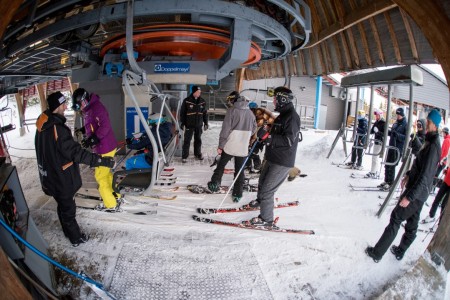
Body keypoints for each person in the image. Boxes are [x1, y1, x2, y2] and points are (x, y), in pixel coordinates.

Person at [35, 92, 115, 246]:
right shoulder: (57, 129)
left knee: (62, 206)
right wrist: (99, 160)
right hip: (61, 178)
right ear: (57, 107)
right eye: (63, 104)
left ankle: (67, 230)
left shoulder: (43, 126)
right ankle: (76, 238)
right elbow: (74, 153)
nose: (66, 107)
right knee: (68, 209)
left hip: (50, 176)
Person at [365, 109, 441, 262]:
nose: (426, 124)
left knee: (396, 217)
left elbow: (425, 176)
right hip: (418, 192)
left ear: (435, 125)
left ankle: (377, 253)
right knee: (412, 223)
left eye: (429, 122)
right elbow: (419, 165)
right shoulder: (429, 140)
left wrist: (409, 197)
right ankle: (400, 251)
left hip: (417, 193)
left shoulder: (434, 145)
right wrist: (408, 174)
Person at [246, 86, 301, 227]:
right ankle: (261, 202)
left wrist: (269, 137)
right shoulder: (282, 115)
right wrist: (265, 132)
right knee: (261, 183)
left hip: (282, 161)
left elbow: (288, 140)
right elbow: (274, 133)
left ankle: (266, 219)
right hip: (272, 157)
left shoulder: (292, 117)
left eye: (275, 98)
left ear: (283, 99)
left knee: (267, 190)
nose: (273, 101)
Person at [72, 88, 118, 211]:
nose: (80, 108)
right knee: (106, 173)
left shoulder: (96, 107)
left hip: (104, 147)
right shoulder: (89, 109)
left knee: (100, 177)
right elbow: (92, 124)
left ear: (84, 100)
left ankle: (111, 205)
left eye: (80, 105)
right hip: (104, 146)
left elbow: (105, 126)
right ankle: (115, 195)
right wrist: (84, 130)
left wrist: (93, 139)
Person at [207, 92, 257, 202]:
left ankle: (215, 183)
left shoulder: (232, 111)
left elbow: (225, 130)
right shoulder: (250, 113)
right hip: (243, 146)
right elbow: (254, 128)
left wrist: (221, 145)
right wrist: (246, 135)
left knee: (221, 165)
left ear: (235, 101)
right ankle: (237, 193)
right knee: (240, 170)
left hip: (230, 144)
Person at [378, 107, 408, 190]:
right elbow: (392, 133)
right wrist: (385, 132)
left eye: (399, 115)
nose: (398, 116)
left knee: (392, 165)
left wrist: (397, 135)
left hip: (397, 148)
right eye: (397, 114)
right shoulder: (396, 123)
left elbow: (406, 137)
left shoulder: (405, 124)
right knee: (387, 164)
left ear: (402, 115)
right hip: (391, 146)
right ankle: (386, 180)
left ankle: (391, 182)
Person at [180, 85, 208, 163]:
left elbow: (205, 113)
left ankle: (198, 154)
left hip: (199, 124)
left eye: (200, 92)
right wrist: (182, 123)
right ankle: (185, 156)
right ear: (193, 92)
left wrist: (206, 123)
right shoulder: (187, 101)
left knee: (198, 139)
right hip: (189, 124)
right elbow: (183, 113)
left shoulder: (202, 101)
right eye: (197, 92)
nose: (199, 93)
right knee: (187, 140)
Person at [365, 110, 386, 178]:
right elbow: (371, 131)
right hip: (376, 141)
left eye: (377, 115)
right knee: (374, 157)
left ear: (380, 115)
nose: (376, 116)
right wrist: (370, 130)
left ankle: (374, 172)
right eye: (376, 115)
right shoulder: (376, 122)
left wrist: (377, 132)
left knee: (375, 157)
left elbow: (385, 134)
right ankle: (373, 171)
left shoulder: (383, 123)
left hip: (380, 142)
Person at [432, 126, 450, 191]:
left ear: (445, 133)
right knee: (436, 173)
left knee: (436, 174)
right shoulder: (447, 139)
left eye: (443, 133)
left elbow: (444, 152)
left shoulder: (447, 140)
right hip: (443, 161)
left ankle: (432, 188)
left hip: (442, 161)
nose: (442, 134)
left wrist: (441, 160)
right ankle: (432, 188)